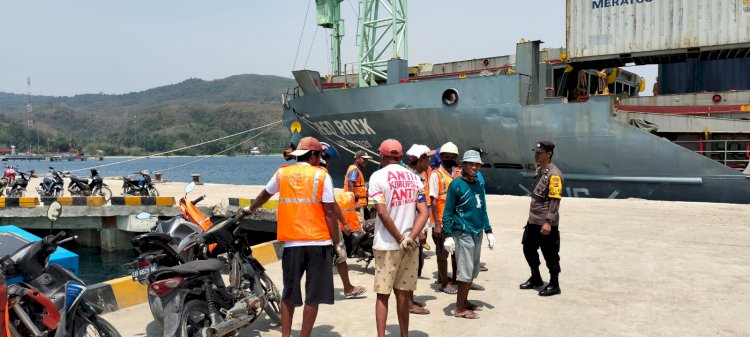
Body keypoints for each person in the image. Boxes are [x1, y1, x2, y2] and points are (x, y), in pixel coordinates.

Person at [239, 136, 346, 337]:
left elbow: (265, 193)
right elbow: (330, 213)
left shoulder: (282, 173)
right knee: (313, 297)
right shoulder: (322, 176)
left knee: (289, 294)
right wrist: (337, 242)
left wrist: (250, 209)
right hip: (318, 242)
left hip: (292, 244)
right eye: (320, 155)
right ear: (314, 155)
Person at [369, 139, 429, 337]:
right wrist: (409, 238)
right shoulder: (415, 179)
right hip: (409, 247)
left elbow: (382, 212)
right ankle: (404, 334)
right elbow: (424, 213)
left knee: (383, 295)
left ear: (383, 156)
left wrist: (398, 238)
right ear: (400, 156)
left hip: (386, 245)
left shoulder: (377, 177)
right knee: (403, 294)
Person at [442, 150, 495, 319]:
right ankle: (459, 308)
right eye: (470, 164)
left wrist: (489, 230)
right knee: (464, 271)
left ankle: (464, 301)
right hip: (462, 231)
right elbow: (448, 211)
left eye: (477, 164)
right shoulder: (456, 184)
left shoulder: (478, 182)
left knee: (472, 270)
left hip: (477, 231)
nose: (474, 167)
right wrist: (448, 234)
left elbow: (482, 208)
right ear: (463, 165)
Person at [319, 142, 367, 299]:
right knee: (340, 251)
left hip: (302, 228)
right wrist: (343, 223)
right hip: (323, 222)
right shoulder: (323, 175)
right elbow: (331, 204)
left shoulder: (292, 173)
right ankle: (348, 288)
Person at [519, 140, 563, 297]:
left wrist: (548, 222)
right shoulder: (540, 171)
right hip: (533, 221)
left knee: (550, 254)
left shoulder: (554, 174)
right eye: (535, 152)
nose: (536, 155)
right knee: (528, 249)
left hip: (545, 223)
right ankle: (536, 278)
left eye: (539, 153)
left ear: (548, 154)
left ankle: (554, 284)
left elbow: (555, 200)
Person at [404, 144, 436, 315]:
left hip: (415, 229)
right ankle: (408, 303)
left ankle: (410, 298)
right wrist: (420, 231)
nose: (429, 161)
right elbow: (414, 208)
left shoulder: (415, 175)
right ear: (421, 159)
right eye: (428, 158)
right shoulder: (412, 178)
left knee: (415, 266)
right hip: (413, 231)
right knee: (411, 268)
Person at [429, 141, 461, 294]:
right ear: (441, 157)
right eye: (446, 156)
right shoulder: (436, 175)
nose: (449, 158)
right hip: (441, 221)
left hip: (457, 220)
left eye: (452, 156)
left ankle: (456, 278)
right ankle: (443, 283)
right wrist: (436, 224)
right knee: (442, 253)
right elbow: (434, 201)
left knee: (456, 253)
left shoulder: (458, 173)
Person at [345, 150, 372, 218]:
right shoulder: (354, 170)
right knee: (358, 223)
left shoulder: (355, 169)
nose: (366, 161)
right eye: (364, 159)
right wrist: (355, 201)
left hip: (357, 203)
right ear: (357, 159)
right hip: (356, 203)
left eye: (367, 160)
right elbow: (350, 183)